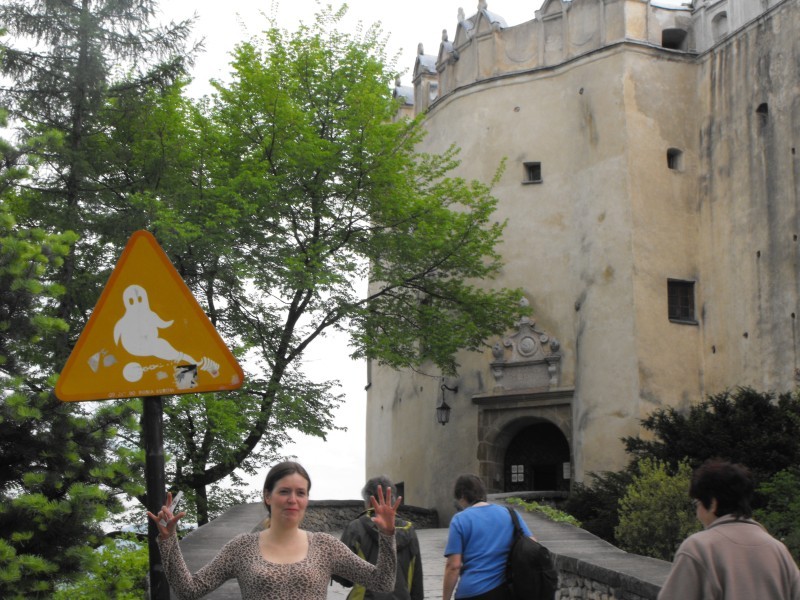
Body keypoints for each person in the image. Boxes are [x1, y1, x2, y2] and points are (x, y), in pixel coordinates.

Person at [146, 461, 400, 600]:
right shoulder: (242, 547)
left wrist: (388, 536)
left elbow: (383, 582)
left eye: (300, 493)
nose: (293, 500)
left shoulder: (325, 546)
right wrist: (168, 541)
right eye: (284, 491)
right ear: (268, 496)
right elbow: (189, 590)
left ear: (307, 499)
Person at [658, 459, 800, 600]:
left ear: (712, 503)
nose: (697, 513)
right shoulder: (778, 550)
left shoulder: (698, 548)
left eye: (697, 503)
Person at [443, 474, 534, 600]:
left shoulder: (460, 519)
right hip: (502, 591)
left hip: (470, 592)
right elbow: (532, 544)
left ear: (462, 495)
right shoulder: (510, 514)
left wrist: (445, 598)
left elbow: (454, 566)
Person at [333, 475, 424, 600]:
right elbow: (416, 581)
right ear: (393, 500)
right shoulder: (409, 530)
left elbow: (344, 578)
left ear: (368, 501)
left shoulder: (356, 528)